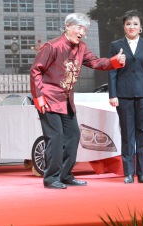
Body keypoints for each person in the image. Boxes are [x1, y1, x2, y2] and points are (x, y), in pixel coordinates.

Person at [30, 13, 126, 189]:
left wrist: (114, 61)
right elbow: (36, 71)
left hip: (67, 100)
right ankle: (51, 178)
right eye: (79, 28)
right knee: (55, 137)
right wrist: (38, 97)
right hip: (49, 99)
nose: (82, 32)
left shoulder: (81, 48)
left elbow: (96, 62)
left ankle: (65, 175)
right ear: (68, 26)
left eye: (84, 29)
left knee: (73, 136)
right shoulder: (52, 46)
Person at [108, 10, 143, 184]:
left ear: (140, 27)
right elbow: (112, 71)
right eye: (128, 24)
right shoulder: (116, 45)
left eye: (135, 24)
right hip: (124, 95)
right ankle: (128, 172)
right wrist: (113, 94)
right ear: (124, 26)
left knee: (142, 133)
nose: (132, 27)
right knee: (127, 134)